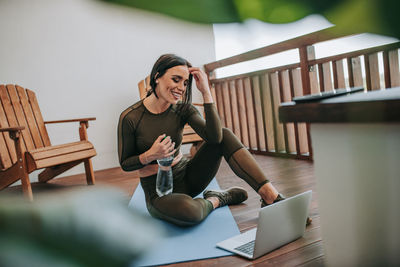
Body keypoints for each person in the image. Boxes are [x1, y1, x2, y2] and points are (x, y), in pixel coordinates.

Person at [118, 54, 285, 227]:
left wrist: (206, 92)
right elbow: (125, 163)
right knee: (191, 212)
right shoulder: (131, 117)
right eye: (176, 80)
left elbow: (215, 138)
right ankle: (217, 199)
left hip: (189, 177)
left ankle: (272, 197)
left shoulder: (183, 109)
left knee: (224, 134)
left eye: (185, 83)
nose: (181, 88)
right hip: (159, 191)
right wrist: (150, 155)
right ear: (157, 77)